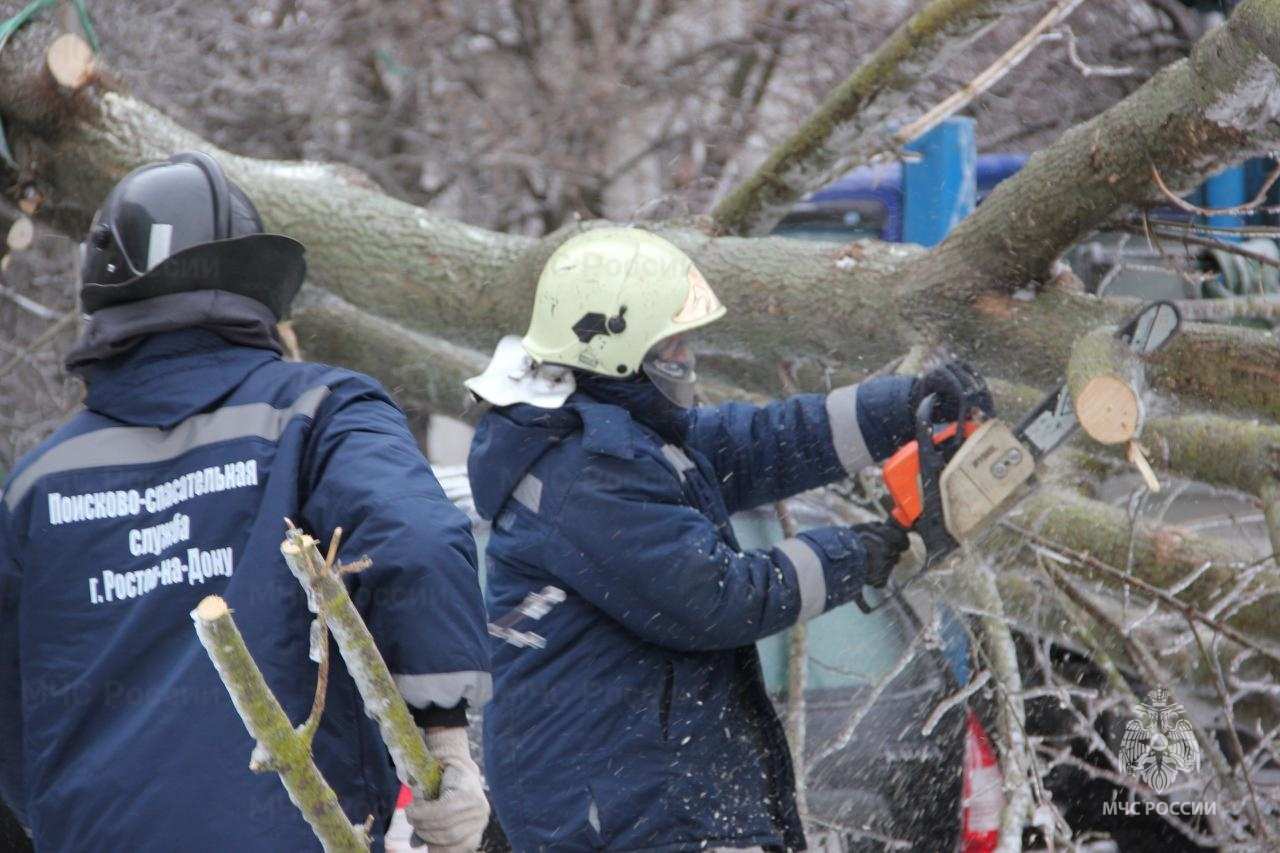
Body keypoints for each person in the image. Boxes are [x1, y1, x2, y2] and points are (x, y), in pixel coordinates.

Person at [0, 153, 491, 852]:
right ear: (260, 285)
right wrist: (445, 744)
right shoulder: (322, 411)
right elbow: (411, 538)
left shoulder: (37, 484)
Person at [464, 227, 993, 851]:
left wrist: (902, 406)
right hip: (623, 815)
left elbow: (763, 443)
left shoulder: (627, 437)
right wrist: (867, 551)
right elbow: (718, 596)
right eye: (673, 344)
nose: (686, 360)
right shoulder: (586, 471)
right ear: (617, 349)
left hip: (653, 794)